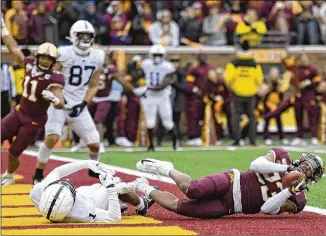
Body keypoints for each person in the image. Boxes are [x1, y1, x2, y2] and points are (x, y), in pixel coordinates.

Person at [135, 148, 324, 219]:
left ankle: (143, 187)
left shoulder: (298, 199)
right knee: (193, 189)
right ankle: (167, 169)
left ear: (312, 178)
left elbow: (267, 209)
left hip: (230, 206)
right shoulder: (282, 158)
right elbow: (255, 165)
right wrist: (285, 170)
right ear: (301, 160)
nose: (304, 170)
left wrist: (287, 192)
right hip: (232, 181)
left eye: (309, 171)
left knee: (181, 208)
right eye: (306, 165)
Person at [33, 20, 106, 184]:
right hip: (58, 102)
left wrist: (84, 104)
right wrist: (58, 98)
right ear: (74, 36)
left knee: (94, 144)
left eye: (89, 36)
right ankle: (38, 173)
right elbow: (51, 77)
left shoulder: (98, 56)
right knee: (52, 138)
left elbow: (94, 85)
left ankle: (94, 170)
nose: (86, 39)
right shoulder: (64, 53)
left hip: (79, 105)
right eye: (82, 35)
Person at [1, 43, 65, 186]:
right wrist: (3, 29)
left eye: (49, 59)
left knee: (13, 152)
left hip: (34, 121)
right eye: (43, 57)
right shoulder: (29, 63)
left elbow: (60, 101)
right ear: (37, 57)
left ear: (53, 62)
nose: (45, 61)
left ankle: (9, 175)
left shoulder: (54, 77)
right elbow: (14, 49)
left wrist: (54, 99)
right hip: (19, 112)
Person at [30, 160, 156, 223]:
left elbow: (56, 172)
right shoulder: (82, 211)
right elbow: (114, 218)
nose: (66, 182)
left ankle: (114, 204)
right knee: (116, 182)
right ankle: (142, 204)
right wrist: (111, 187)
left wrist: (87, 163)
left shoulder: (37, 193)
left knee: (97, 186)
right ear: (70, 204)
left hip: (84, 196)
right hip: (94, 202)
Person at [224, 41, 264, 146]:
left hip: (237, 93)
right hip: (250, 94)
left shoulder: (233, 64)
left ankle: (237, 139)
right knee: (251, 117)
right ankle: (252, 140)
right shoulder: (255, 64)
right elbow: (259, 80)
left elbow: (228, 79)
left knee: (236, 116)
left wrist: (233, 88)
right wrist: (254, 88)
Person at [140, 44, 177, 152]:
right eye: (155, 55)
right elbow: (138, 74)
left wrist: (148, 88)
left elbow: (166, 82)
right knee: (150, 122)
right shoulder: (145, 64)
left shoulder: (168, 66)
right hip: (150, 97)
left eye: (159, 55)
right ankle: (151, 145)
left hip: (163, 96)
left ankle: (175, 143)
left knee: (168, 122)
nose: (157, 57)